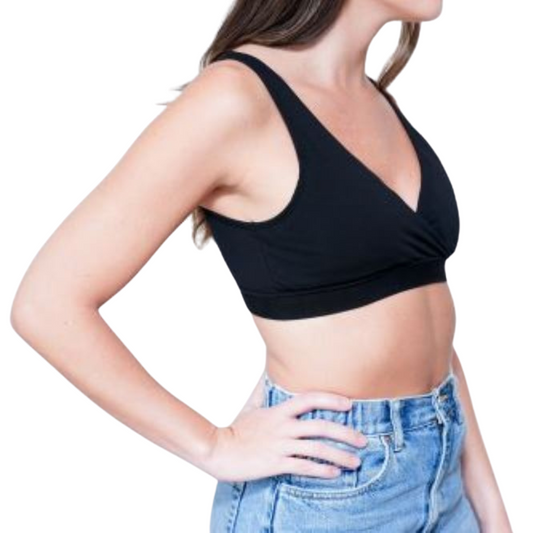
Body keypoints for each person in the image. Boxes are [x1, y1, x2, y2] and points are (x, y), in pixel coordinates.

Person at [10, 1, 512, 531]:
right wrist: (214, 445)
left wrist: (492, 511)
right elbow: (45, 303)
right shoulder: (233, 99)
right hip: (331, 488)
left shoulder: (373, 98)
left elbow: (426, 327)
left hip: (445, 474)